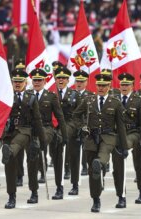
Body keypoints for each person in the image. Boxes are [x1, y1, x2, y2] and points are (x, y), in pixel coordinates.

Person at [73, 74, 127, 213]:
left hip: (109, 137)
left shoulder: (115, 102)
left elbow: (121, 126)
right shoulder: (89, 100)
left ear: (109, 86)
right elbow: (76, 115)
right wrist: (82, 127)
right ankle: (96, 199)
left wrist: (124, 146)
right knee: (93, 171)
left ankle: (120, 195)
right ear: (96, 86)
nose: (101, 88)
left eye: (104, 85)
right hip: (91, 138)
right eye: (99, 85)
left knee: (101, 158)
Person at [1, 68, 46, 209]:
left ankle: (34, 192)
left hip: (27, 133)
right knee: (10, 165)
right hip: (10, 133)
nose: (17, 84)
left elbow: (37, 120)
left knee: (32, 164)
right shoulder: (6, 96)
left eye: (20, 81)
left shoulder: (31, 97)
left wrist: (42, 141)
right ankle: (11, 196)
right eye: (15, 81)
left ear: (25, 82)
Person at [112, 73, 141, 208]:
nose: (124, 87)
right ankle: (121, 196)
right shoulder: (114, 99)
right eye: (122, 84)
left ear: (132, 86)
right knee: (117, 163)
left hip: (134, 133)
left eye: (127, 85)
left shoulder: (138, 100)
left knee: (140, 164)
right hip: (118, 134)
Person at [30, 69, 67, 188]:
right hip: (31, 129)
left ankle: (59, 187)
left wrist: (64, 136)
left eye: (39, 80)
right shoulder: (28, 96)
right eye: (34, 80)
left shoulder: (51, 97)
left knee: (42, 142)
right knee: (32, 155)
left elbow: (60, 117)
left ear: (44, 81)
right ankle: (34, 187)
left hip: (47, 128)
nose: (36, 82)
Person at [51, 66, 80, 199]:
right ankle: (59, 187)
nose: (61, 80)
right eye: (58, 78)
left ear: (68, 80)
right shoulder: (51, 94)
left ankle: (74, 184)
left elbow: (79, 115)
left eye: (64, 78)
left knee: (74, 157)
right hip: (55, 127)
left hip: (70, 127)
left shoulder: (74, 95)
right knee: (57, 158)